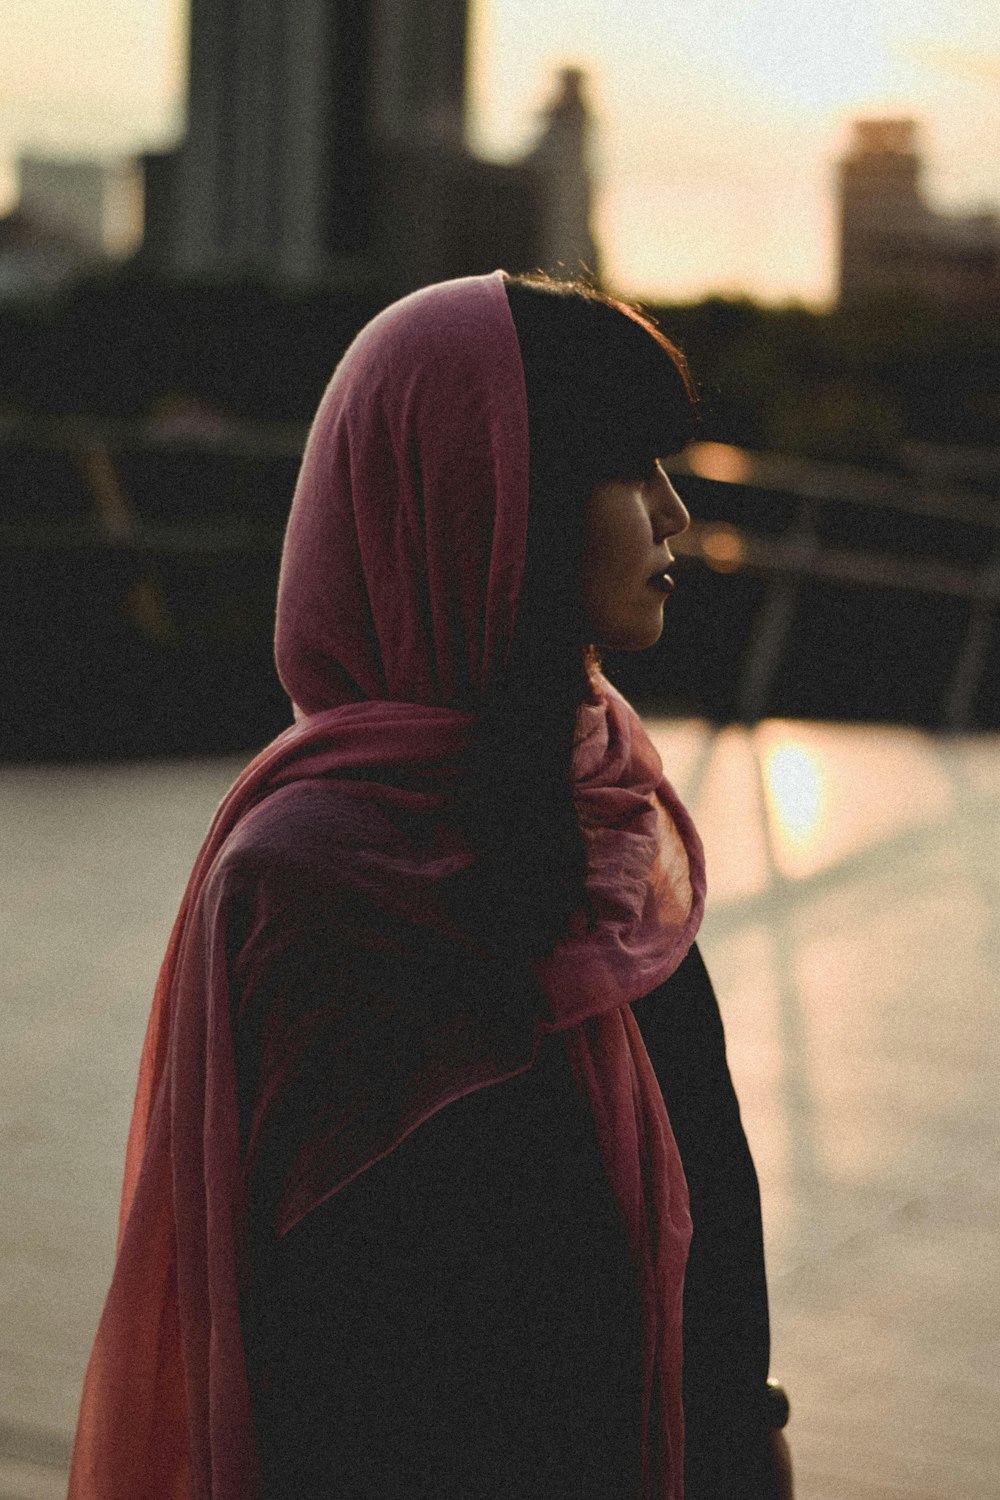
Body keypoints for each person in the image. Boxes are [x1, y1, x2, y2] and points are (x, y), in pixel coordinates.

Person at [68, 271, 793, 1499]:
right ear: (485, 496)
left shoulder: (612, 803)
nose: (673, 513)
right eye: (626, 470)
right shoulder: (313, 878)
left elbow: (707, 1190)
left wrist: (746, 1425)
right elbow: (329, 1341)